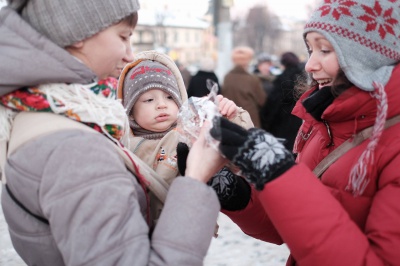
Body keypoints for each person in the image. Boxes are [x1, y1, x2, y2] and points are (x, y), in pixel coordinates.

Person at [0, 1, 227, 265]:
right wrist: (196, 179)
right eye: (123, 37)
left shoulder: (43, 113)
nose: (130, 55)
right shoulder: (74, 149)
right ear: (78, 34)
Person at [193, 0, 400, 265]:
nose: (309, 65)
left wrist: (280, 174)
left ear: (370, 56)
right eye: (310, 49)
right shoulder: (323, 120)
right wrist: (234, 192)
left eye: (324, 50)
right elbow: (292, 226)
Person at [117, 50, 254, 220]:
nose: (161, 105)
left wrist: (233, 118)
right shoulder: (121, 146)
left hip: (184, 229)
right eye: (149, 100)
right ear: (129, 110)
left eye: (169, 97)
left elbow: (238, 161)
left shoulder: (189, 136)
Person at [261, 51, 303, 151]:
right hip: (297, 119)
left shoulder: (282, 79)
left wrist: (266, 121)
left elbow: (273, 103)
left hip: (281, 120)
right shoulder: (302, 78)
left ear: (283, 64)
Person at [222, 46, 267, 128]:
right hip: (249, 119)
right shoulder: (252, 79)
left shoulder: (227, 77)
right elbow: (262, 100)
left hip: (230, 119)